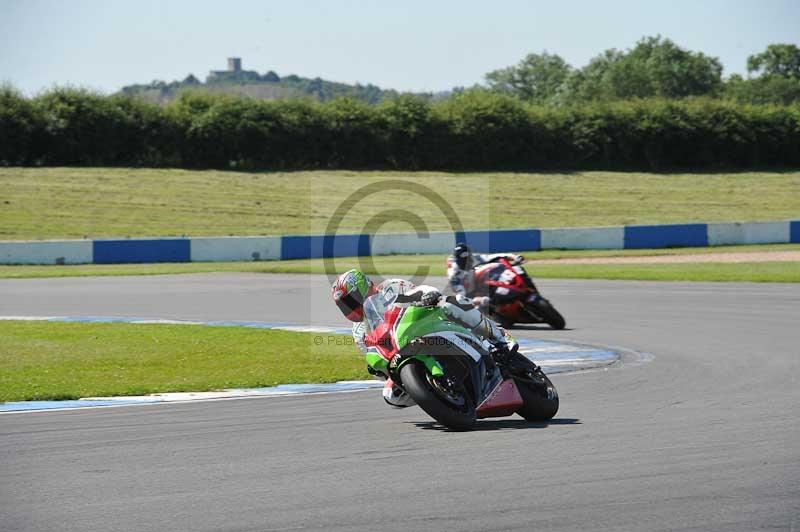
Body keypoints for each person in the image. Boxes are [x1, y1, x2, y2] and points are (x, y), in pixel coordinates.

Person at [331, 269, 515, 408]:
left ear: (362, 288)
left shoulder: (390, 288)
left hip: (428, 325)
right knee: (391, 394)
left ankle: (498, 336)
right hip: (404, 353)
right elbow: (375, 356)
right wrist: (377, 371)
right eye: (344, 306)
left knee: (451, 301)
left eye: (350, 301)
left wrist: (428, 295)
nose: (349, 308)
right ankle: (438, 398)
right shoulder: (359, 332)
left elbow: (420, 291)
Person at [446, 242, 524, 308]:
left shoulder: (476, 258)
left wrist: (514, 257)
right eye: (464, 260)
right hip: (470, 294)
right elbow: (461, 298)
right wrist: (479, 300)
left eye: (468, 258)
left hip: (481, 284)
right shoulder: (454, 274)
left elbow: (495, 256)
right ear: (458, 260)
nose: (467, 262)